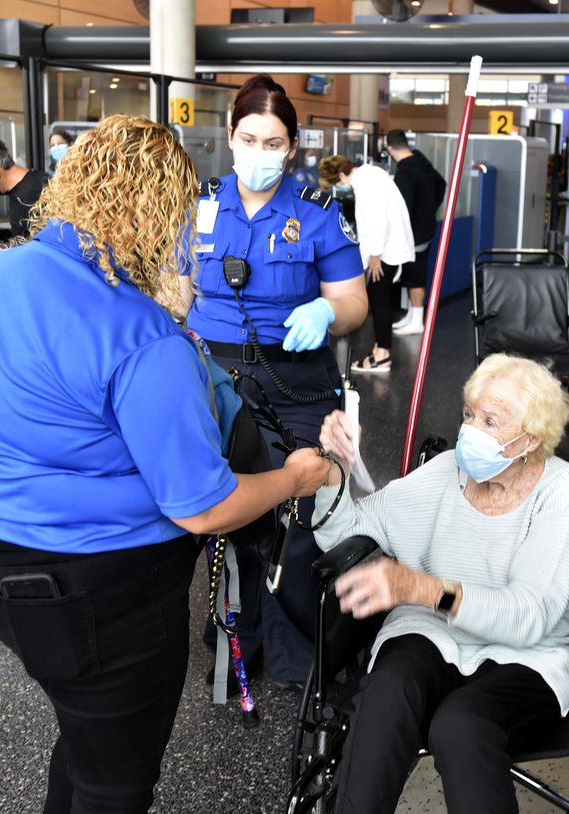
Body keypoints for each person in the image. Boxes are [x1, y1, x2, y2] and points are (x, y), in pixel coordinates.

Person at [0, 114, 331, 812]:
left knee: (86, 740)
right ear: (155, 212)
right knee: (115, 783)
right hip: (102, 595)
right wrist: (295, 479)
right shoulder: (142, 336)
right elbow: (202, 506)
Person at [313, 353, 569, 814]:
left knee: (460, 724)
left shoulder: (565, 489)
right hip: (429, 635)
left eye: (490, 420)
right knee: (385, 694)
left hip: (529, 656)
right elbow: (350, 531)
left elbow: (530, 617)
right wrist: (333, 470)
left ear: (532, 437)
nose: (471, 430)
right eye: (469, 413)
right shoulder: (447, 470)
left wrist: (421, 588)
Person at [184, 75, 367, 689]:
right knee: (229, 508)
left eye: (273, 142)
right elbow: (176, 291)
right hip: (214, 373)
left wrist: (326, 313)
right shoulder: (200, 204)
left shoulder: (317, 214)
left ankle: (301, 659)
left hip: (295, 377)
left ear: (292, 148)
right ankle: (235, 642)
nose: (259, 152)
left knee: (298, 513)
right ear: (230, 138)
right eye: (248, 138)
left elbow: (352, 304)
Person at [318, 154, 415, 373]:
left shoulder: (365, 183)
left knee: (380, 300)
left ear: (341, 175)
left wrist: (375, 256)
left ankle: (382, 356)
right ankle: (379, 349)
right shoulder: (370, 174)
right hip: (385, 247)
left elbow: (378, 221)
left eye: (336, 182)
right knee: (381, 299)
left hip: (383, 251)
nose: (339, 187)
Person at [385, 129, 446, 336]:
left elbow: (401, 208)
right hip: (426, 227)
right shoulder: (423, 164)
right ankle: (412, 316)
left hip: (413, 233)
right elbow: (442, 184)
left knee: (414, 276)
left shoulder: (405, 173)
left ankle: (418, 320)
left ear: (390, 149)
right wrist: (429, 209)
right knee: (414, 274)